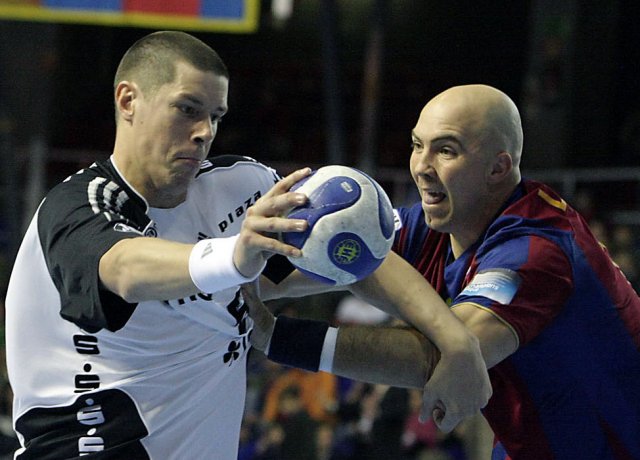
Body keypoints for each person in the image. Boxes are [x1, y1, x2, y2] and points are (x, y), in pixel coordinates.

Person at [4, 32, 490, 459]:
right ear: (128, 100)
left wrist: (456, 343)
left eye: (215, 116)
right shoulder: (76, 207)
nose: (204, 132)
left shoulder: (240, 187)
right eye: (187, 109)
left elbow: (356, 255)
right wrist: (234, 257)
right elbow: (125, 270)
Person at [245, 84, 640, 459]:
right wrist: (237, 268)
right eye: (417, 145)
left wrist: (276, 336)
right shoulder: (435, 223)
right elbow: (324, 259)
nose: (421, 167)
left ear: (498, 167)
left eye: (446, 150)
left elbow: (447, 358)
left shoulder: (537, 250)